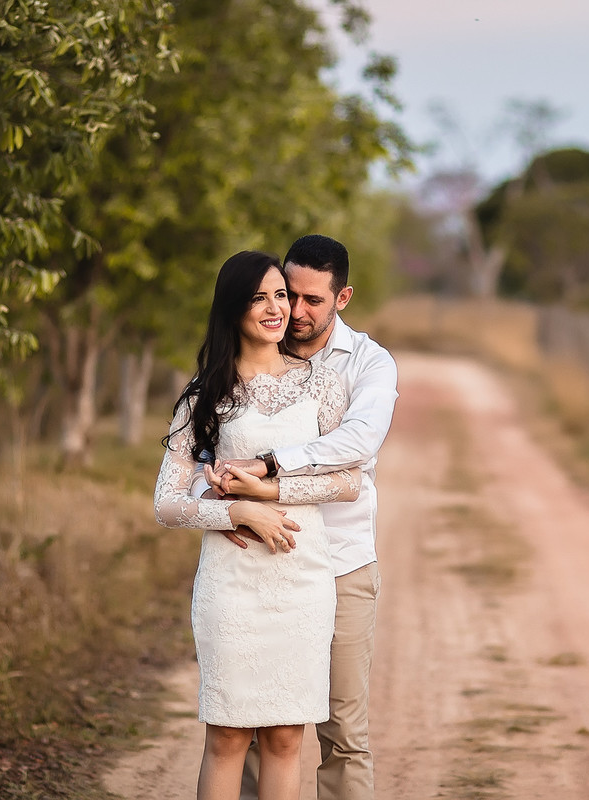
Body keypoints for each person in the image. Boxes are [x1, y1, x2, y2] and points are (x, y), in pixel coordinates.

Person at [153, 250, 363, 800]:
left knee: (287, 737)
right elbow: (165, 502)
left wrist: (272, 491)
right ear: (233, 308)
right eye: (259, 297)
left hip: (301, 578)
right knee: (226, 736)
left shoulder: (319, 385)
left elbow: (349, 482)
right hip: (233, 582)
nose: (276, 309)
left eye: (281, 295)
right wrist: (235, 513)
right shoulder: (205, 395)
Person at [199, 235, 398, 800]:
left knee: (341, 729)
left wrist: (268, 470)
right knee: (256, 725)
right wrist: (225, 499)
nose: (296, 312)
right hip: (257, 566)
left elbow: (358, 446)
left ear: (344, 298)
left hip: (340, 561)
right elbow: (200, 461)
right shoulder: (248, 355)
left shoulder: (366, 364)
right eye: (290, 294)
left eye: (313, 300)